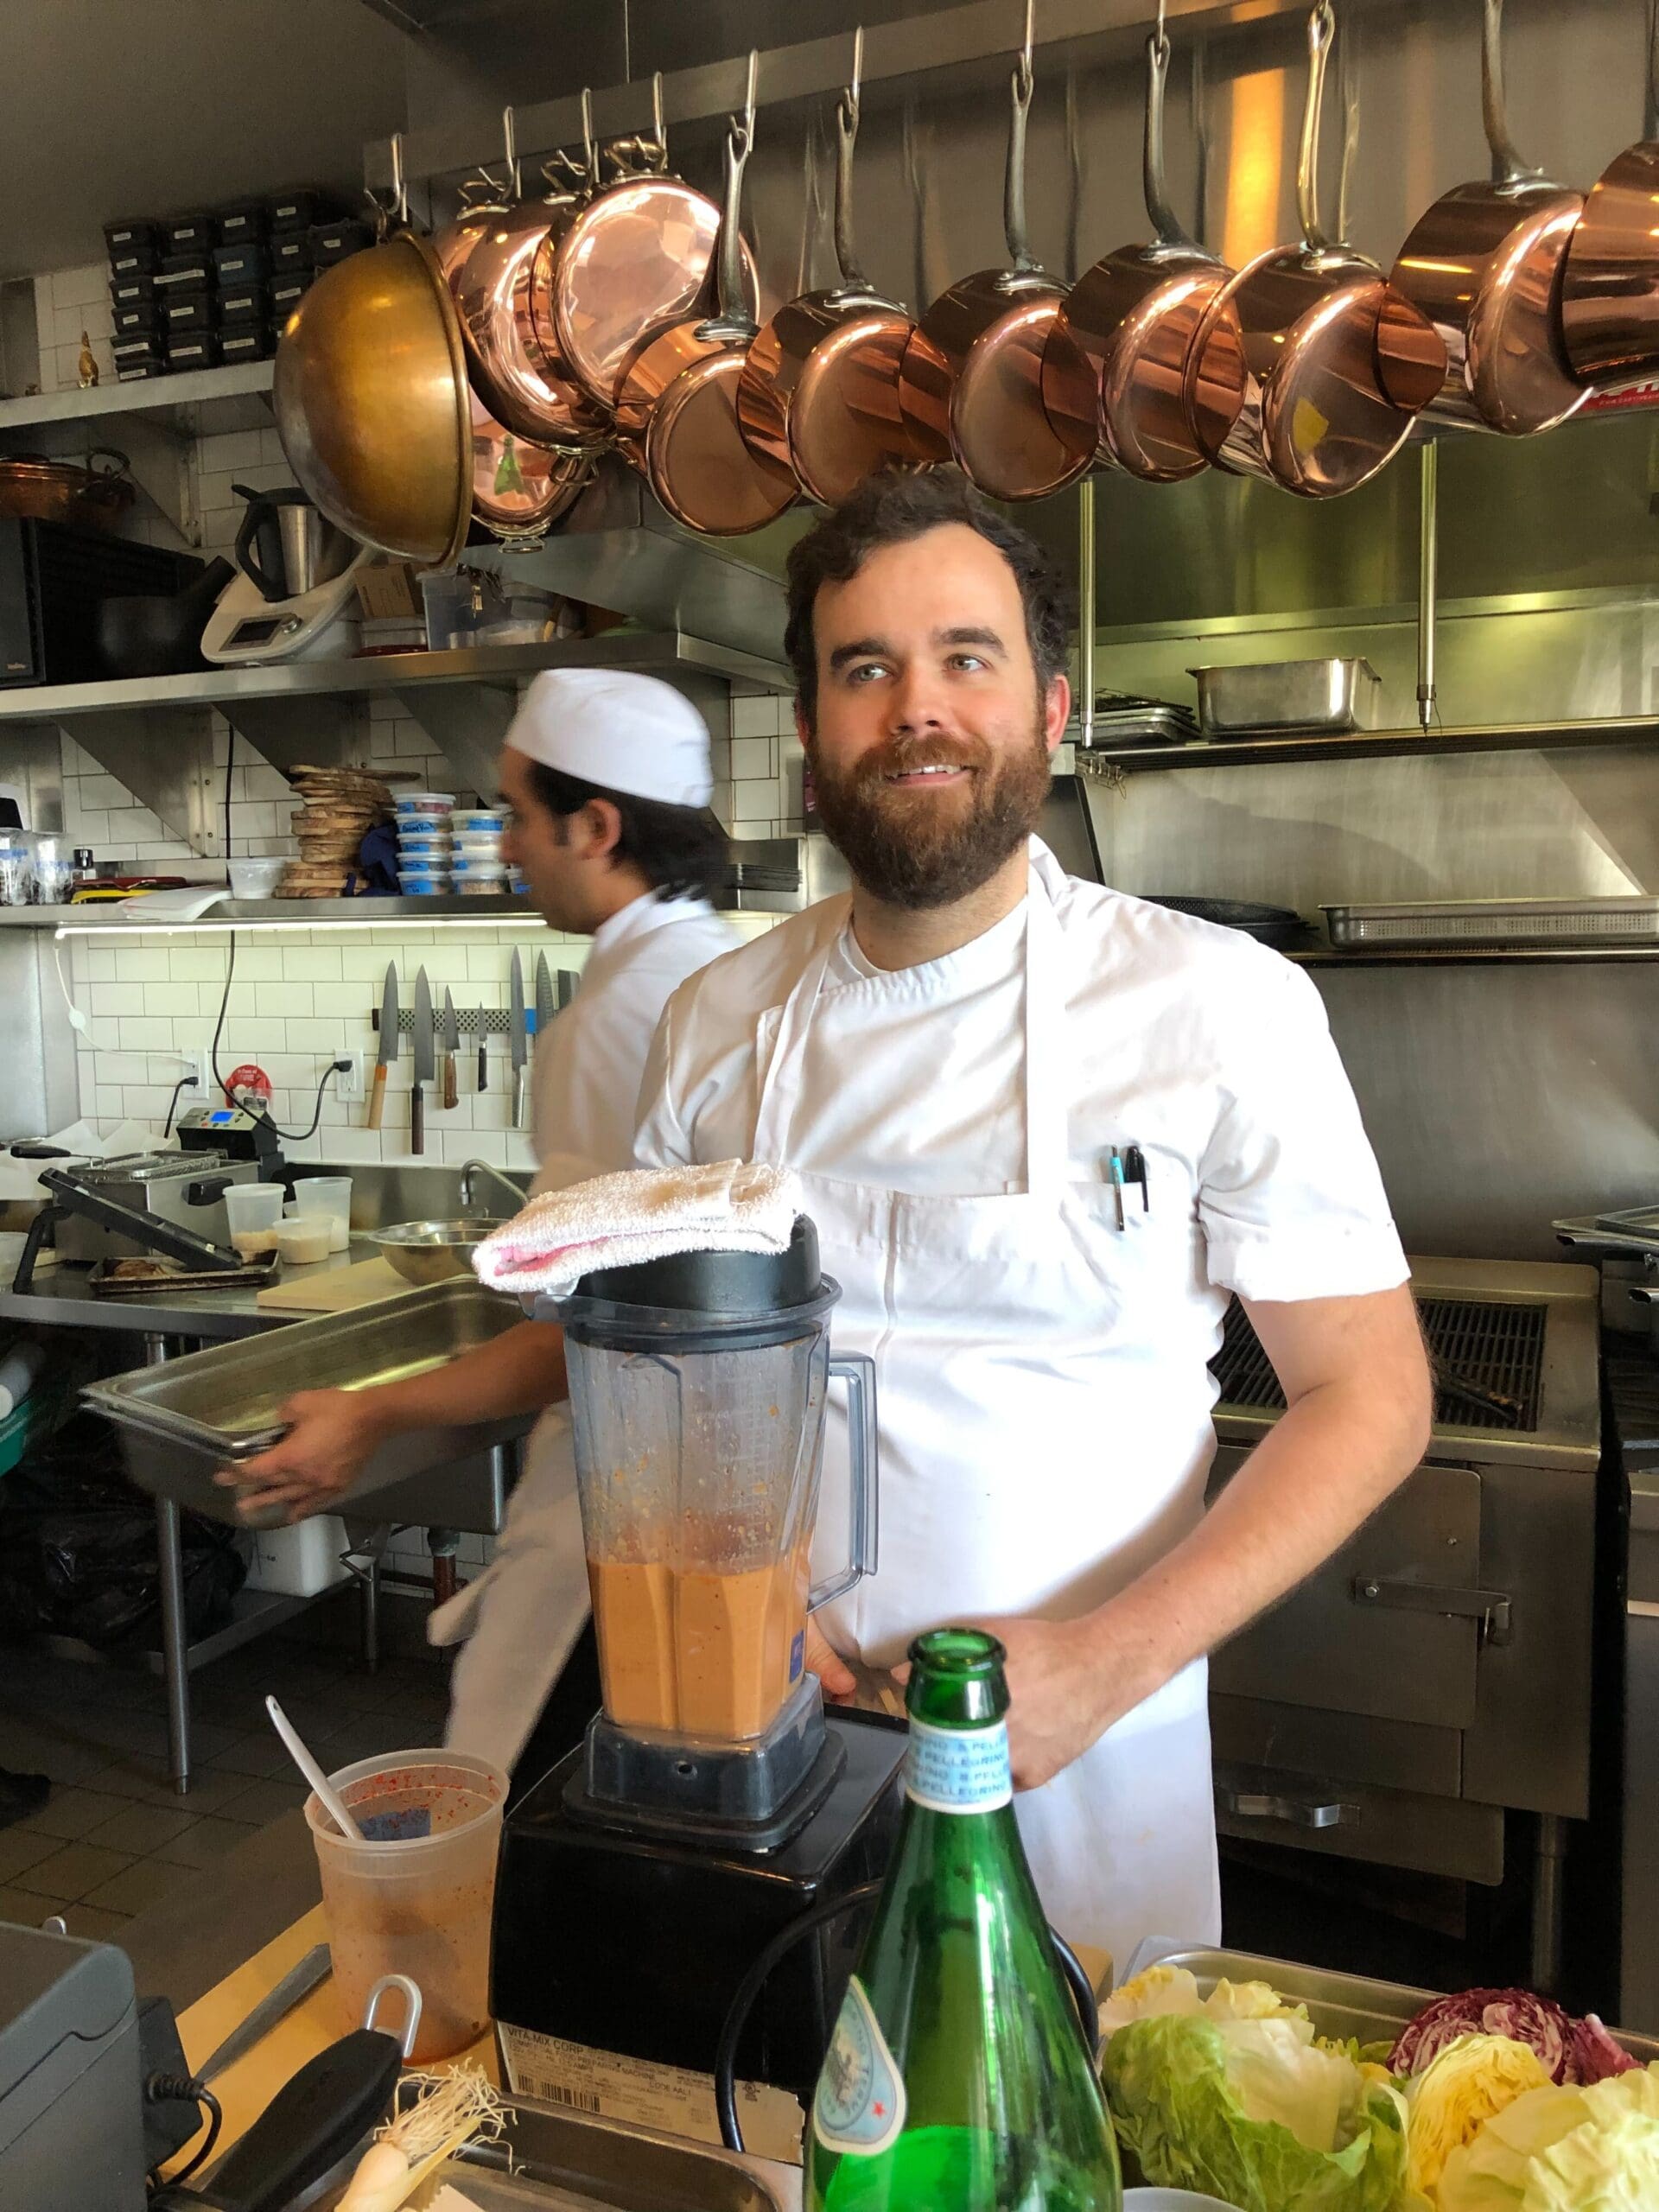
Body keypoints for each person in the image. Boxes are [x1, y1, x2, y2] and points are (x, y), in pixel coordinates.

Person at [631, 467, 1432, 1957]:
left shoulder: (1218, 1006)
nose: (915, 709)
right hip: (779, 1747)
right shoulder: (712, 1024)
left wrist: (1106, 1660)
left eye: (965, 659)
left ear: (1052, 710)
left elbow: (1368, 1393)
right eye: (864, 670)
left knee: (1060, 2161)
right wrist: (736, 1603)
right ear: (809, 731)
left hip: (1092, 1765)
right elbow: (682, 1387)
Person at [222, 670, 739, 1780]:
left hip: (619, 1521)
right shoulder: (719, 973)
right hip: (705, 1525)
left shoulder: (619, 1019)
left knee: (521, 1824)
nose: (505, 846)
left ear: (595, 825)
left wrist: (370, 1416)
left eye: (513, 813)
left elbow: (588, 1332)